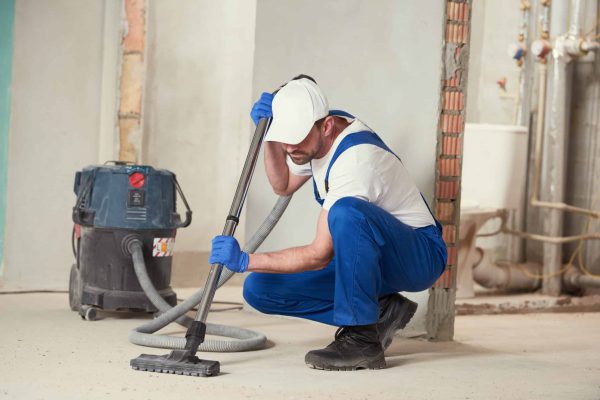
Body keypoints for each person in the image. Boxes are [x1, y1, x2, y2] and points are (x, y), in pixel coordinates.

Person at [209, 76, 447, 371]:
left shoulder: (357, 162)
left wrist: (245, 259)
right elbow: (283, 184)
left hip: (419, 255)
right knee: (259, 288)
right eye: (286, 138)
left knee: (346, 213)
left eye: (297, 137)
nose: (292, 146)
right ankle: (383, 310)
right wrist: (269, 136)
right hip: (372, 255)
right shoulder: (310, 138)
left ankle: (362, 340)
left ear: (327, 126)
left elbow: (319, 254)